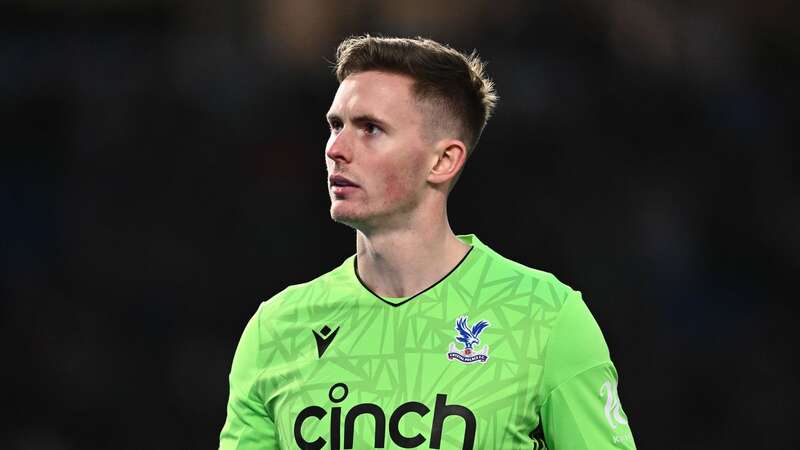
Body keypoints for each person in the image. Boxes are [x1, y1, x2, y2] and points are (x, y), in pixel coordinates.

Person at [219, 35, 636, 450]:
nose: (336, 149)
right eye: (335, 125)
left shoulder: (545, 317)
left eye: (370, 129)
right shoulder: (275, 331)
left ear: (443, 161)